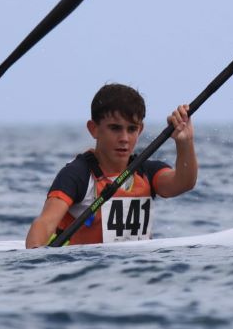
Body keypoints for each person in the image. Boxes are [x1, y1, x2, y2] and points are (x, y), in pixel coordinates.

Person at [26, 83, 197, 248]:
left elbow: (184, 183)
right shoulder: (76, 175)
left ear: (140, 130)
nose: (124, 138)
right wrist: (34, 256)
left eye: (131, 129)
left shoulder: (147, 172)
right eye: (115, 128)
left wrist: (185, 142)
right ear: (93, 129)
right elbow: (45, 223)